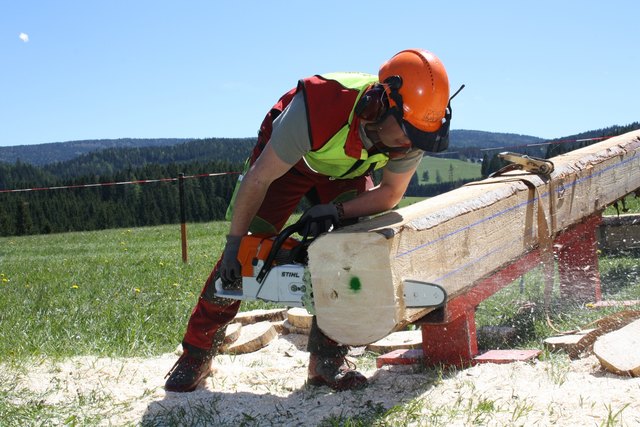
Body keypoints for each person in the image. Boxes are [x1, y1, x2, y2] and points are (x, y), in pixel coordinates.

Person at [165, 48, 457, 392]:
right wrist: (233, 244)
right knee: (245, 251)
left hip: (345, 171)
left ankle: (327, 358)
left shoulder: (418, 126)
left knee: (349, 249)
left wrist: (336, 213)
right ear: (379, 104)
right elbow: (258, 179)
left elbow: (390, 193)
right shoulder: (318, 106)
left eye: (417, 138)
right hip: (288, 162)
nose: (408, 145)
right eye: (404, 133)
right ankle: (197, 353)